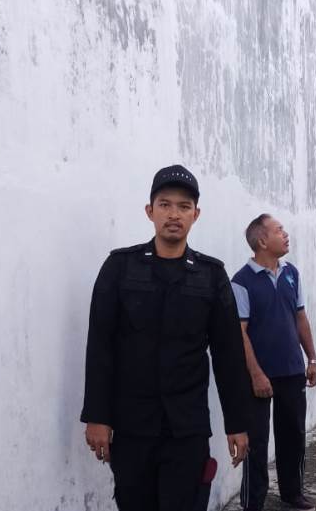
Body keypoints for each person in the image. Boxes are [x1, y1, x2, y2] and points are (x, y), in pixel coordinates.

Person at [80, 164, 252, 511]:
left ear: (195, 215)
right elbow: (100, 346)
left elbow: (228, 355)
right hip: (132, 425)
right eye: (165, 205)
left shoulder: (211, 275)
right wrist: (97, 416)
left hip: (186, 428)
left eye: (184, 206)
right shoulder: (120, 268)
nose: (174, 214)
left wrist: (237, 424)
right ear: (150, 211)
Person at [231, 214, 316, 511]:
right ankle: (253, 502)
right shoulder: (241, 282)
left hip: (292, 370)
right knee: (256, 442)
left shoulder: (291, 273)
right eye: (279, 230)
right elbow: (240, 333)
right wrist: (256, 374)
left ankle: (292, 493)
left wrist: (312, 358)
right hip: (259, 376)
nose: (285, 234)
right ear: (262, 241)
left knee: (293, 435)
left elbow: (300, 316)